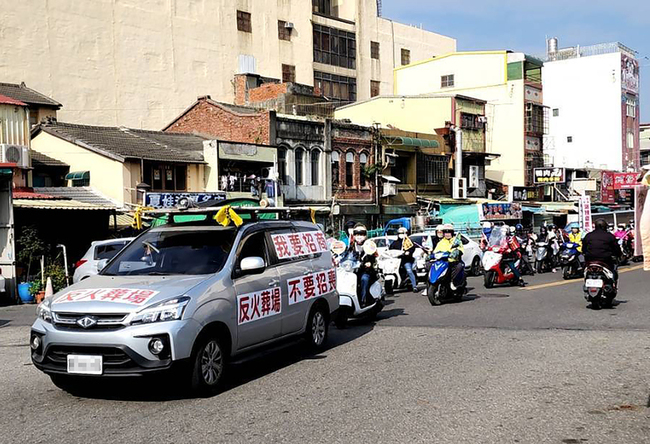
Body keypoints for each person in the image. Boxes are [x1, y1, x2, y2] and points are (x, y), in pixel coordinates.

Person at [583, 218, 622, 285]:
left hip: (590, 259)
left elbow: (583, 249)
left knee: (585, 268)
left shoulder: (588, 236)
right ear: (605, 226)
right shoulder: (609, 236)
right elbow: (616, 248)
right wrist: (618, 255)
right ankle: (612, 283)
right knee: (614, 269)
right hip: (605, 259)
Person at [349, 224, 377, 306]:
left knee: (364, 279)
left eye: (361, 234)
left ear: (365, 235)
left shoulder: (370, 245)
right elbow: (345, 256)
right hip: (352, 270)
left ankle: (363, 300)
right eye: (357, 234)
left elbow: (373, 256)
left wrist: (369, 262)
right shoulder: (351, 246)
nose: (359, 237)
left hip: (365, 271)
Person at [433, 224, 466, 290]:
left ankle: (452, 281)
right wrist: (430, 256)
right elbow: (435, 251)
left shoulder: (456, 241)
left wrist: (457, 252)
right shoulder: (441, 242)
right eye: (445, 232)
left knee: (459, 266)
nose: (447, 234)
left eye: (449, 232)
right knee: (430, 265)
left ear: (452, 233)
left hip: (453, 261)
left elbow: (461, 249)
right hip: (443, 261)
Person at [389, 227, 419, 293]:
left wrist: (408, 252)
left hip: (406, 260)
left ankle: (414, 286)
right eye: (399, 233)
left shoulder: (408, 242)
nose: (401, 234)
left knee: (409, 271)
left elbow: (412, 248)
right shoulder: (394, 243)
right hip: (396, 261)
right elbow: (390, 250)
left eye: (402, 233)